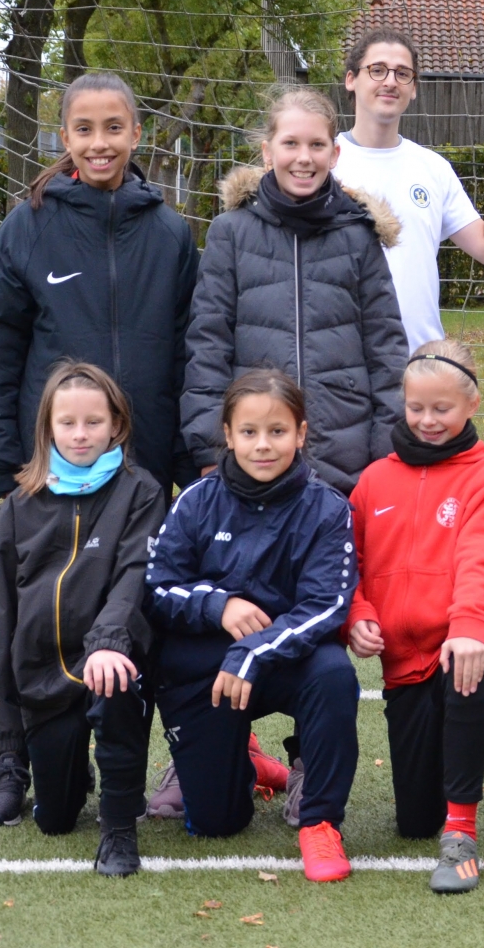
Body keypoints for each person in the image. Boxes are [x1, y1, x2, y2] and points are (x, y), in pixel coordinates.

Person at [0, 70, 197, 825]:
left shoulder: (170, 232)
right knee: (29, 619)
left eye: (114, 127)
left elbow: (193, 349)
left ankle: (140, 764)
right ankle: (12, 759)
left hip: (141, 475)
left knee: (137, 614)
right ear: (63, 136)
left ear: (137, 133)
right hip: (50, 475)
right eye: (85, 129)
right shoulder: (28, 226)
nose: (100, 143)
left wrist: (188, 459)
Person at [146, 369, 362, 882]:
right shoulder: (195, 500)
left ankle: (320, 823)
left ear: (301, 434)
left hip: (285, 659)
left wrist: (255, 649)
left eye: (277, 431)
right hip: (207, 667)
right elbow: (156, 588)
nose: (263, 445)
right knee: (217, 824)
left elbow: (326, 606)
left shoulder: (328, 509)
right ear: (228, 435)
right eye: (249, 432)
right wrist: (218, 606)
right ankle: (244, 761)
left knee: (334, 675)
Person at [0, 361, 166, 876]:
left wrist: (109, 643)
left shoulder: (141, 491)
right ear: (48, 428)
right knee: (55, 820)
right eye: (68, 423)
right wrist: (5, 743)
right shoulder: (19, 505)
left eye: (93, 422)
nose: (81, 434)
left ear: (116, 425)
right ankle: (64, 773)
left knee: (116, 678)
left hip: (111, 662)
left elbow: (135, 576)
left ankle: (119, 826)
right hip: (46, 680)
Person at [346, 339, 484, 893]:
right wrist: (358, 613)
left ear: (472, 404)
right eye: (416, 407)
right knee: (415, 821)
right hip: (402, 659)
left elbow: (479, 561)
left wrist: (468, 630)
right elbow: (351, 562)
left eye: (442, 408)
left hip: (466, 639)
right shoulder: (374, 480)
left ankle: (461, 833)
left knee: (465, 668)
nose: (427, 420)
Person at [183, 87, 407, 494]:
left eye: (316, 145)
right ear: (268, 152)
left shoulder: (358, 237)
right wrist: (212, 448)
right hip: (255, 455)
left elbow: (386, 349)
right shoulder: (231, 233)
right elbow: (207, 347)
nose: (304, 157)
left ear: (334, 154)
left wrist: (385, 452)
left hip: (345, 454)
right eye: (290, 144)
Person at [331, 28, 484, 352]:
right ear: (351, 79)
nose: (390, 81)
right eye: (377, 70)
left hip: (420, 366)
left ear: (413, 88)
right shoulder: (322, 164)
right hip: (341, 362)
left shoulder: (432, 168)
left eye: (402, 73)